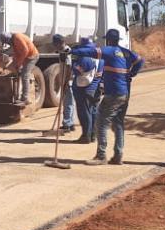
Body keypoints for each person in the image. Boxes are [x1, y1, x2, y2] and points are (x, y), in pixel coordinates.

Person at [70, 28, 144, 165]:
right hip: (124, 93)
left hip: (114, 94)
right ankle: (118, 155)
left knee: (101, 122)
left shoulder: (109, 51)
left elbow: (91, 52)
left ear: (108, 40)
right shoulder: (126, 52)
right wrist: (132, 73)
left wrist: (72, 51)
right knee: (118, 124)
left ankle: (101, 156)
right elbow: (141, 60)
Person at [70, 37, 102, 144]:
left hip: (85, 88)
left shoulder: (85, 59)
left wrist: (73, 62)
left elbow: (78, 71)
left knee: (85, 113)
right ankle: (93, 135)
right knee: (93, 111)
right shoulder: (100, 58)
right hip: (96, 87)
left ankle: (86, 136)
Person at [0, 32, 40, 105]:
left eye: (7, 42)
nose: (8, 44)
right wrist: (15, 63)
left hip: (32, 56)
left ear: (8, 39)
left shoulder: (17, 38)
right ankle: (18, 96)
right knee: (17, 72)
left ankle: (25, 98)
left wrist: (19, 63)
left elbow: (25, 51)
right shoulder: (13, 40)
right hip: (26, 56)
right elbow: (16, 52)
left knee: (25, 75)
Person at [52, 34, 77, 133]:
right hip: (67, 81)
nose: (54, 46)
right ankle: (70, 123)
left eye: (55, 44)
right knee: (69, 103)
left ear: (59, 43)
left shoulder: (67, 52)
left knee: (68, 103)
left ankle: (67, 124)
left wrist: (65, 82)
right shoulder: (63, 51)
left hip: (68, 81)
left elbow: (69, 69)